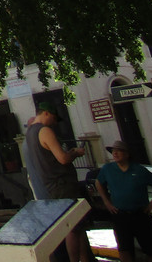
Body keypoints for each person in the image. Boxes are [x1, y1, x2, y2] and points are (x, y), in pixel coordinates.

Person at [24, 101, 93, 262]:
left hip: (50, 185)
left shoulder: (30, 134)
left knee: (76, 225)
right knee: (73, 227)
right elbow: (62, 158)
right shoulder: (44, 130)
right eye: (54, 118)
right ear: (46, 113)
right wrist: (75, 153)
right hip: (62, 183)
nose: (54, 123)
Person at [96, 139, 152, 262]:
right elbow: (98, 182)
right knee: (124, 249)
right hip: (120, 215)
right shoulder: (107, 169)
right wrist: (106, 202)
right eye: (113, 151)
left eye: (119, 151)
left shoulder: (139, 170)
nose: (115, 153)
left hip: (141, 214)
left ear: (127, 154)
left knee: (151, 249)